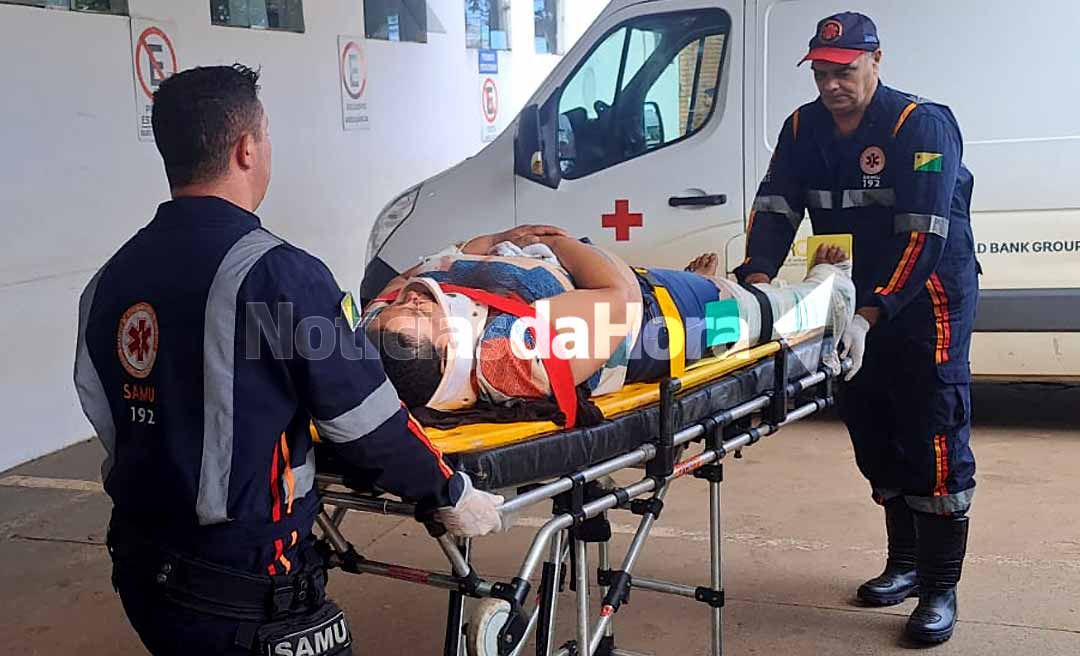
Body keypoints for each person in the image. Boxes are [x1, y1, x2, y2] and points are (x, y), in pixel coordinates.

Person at [73, 64, 501, 656]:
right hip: (247, 586)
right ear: (247, 149)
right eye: (267, 135)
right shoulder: (277, 276)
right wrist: (449, 492)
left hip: (144, 569)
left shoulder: (109, 281)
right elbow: (366, 422)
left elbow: (107, 410)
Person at [732, 12, 979, 644]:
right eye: (821, 71)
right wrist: (756, 279)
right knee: (871, 425)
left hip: (926, 297)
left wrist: (872, 315)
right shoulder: (801, 128)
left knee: (932, 428)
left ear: (875, 60)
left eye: (843, 70)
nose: (832, 83)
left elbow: (922, 235)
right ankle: (903, 563)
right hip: (844, 294)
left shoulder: (919, 125)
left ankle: (939, 586)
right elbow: (776, 207)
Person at [363, 225, 854, 423]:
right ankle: (831, 290)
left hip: (643, 299)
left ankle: (703, 282)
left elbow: (417, 274)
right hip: (672, 322)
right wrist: (559, 242)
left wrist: (504, 238)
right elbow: (617, 298)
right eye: (418, 312)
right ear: (445, 345)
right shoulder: (515, 354)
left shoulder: (393, 341)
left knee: (704, 293)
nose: (412, 299)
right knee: (764, 314)